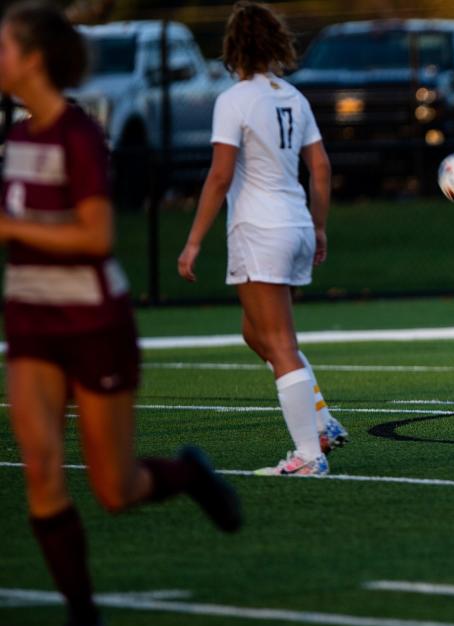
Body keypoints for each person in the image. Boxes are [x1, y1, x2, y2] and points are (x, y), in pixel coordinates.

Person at [0, 3, 242, 626]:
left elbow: (96, 236)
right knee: (42, 469)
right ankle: (84, 619)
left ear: (33, 59)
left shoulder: (76, 136)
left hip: (93, 323)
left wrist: (11, 227)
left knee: (114, 488)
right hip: (30, 324)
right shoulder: (16, 139)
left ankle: (188, 472)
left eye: (4, 46)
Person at [177, 1, 346, 477]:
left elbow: (219, 175)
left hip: (259, 229)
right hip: (292, 224)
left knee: (276, 339)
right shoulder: (292, 96)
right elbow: (321, 169)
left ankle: (310, 454)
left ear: (233, 47)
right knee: (257, 333)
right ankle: (322, 423)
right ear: (275, 42)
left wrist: (193, 243)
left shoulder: (234, 99)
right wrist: (316, 226)